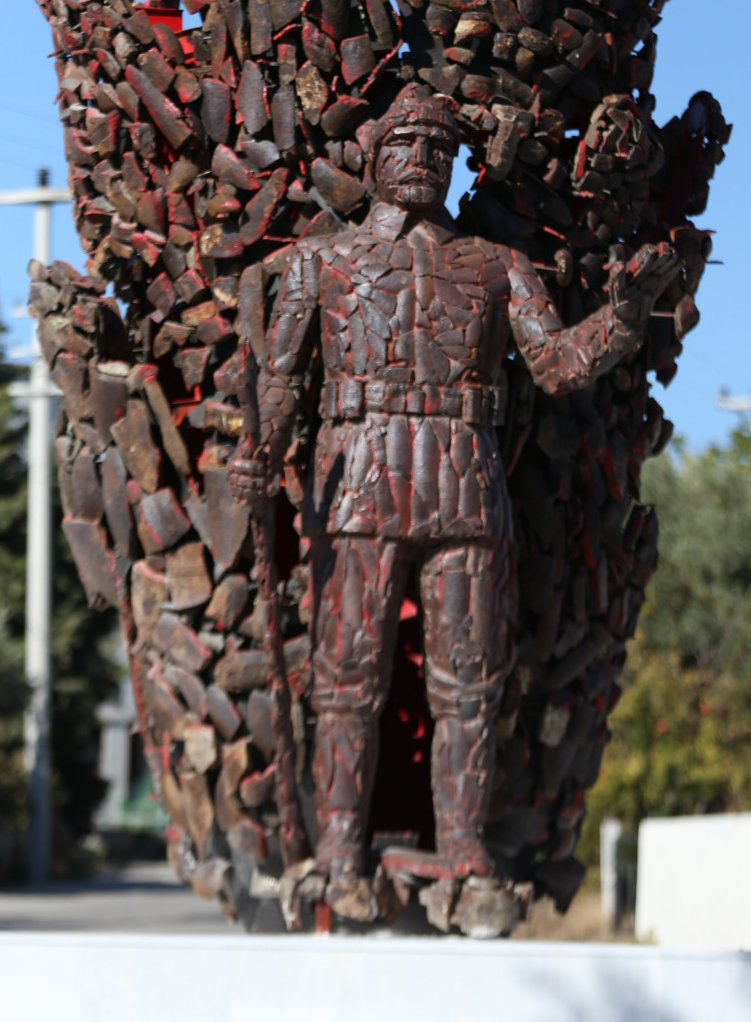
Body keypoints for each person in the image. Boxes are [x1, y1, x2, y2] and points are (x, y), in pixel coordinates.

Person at [229, 82, 677, 917]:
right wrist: (260, 455)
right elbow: (282, 385)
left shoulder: (495, 268)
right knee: (345, 681)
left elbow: (554, 367)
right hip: (356, 483)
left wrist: (620, 319)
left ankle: (466, 853)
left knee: (469, 682)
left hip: (465, 488)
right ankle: (337, 852)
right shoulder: (320, 265)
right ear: (372, 158)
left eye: (439, 149)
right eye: (405, 144)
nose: (422, 161)